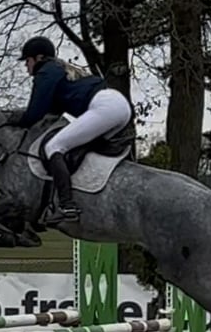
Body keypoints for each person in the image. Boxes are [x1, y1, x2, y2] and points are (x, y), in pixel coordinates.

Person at [15, 36, 133, 225]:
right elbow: (49, 114)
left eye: (27, 60)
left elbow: (34, 114)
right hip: (119, 106)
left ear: (38, 58)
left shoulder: (46, 71)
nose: (25, 66)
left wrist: (13, 121)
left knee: (54, 147)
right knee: (79, 148)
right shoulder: (59, 71)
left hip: (105, 107)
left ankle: (67, 206)